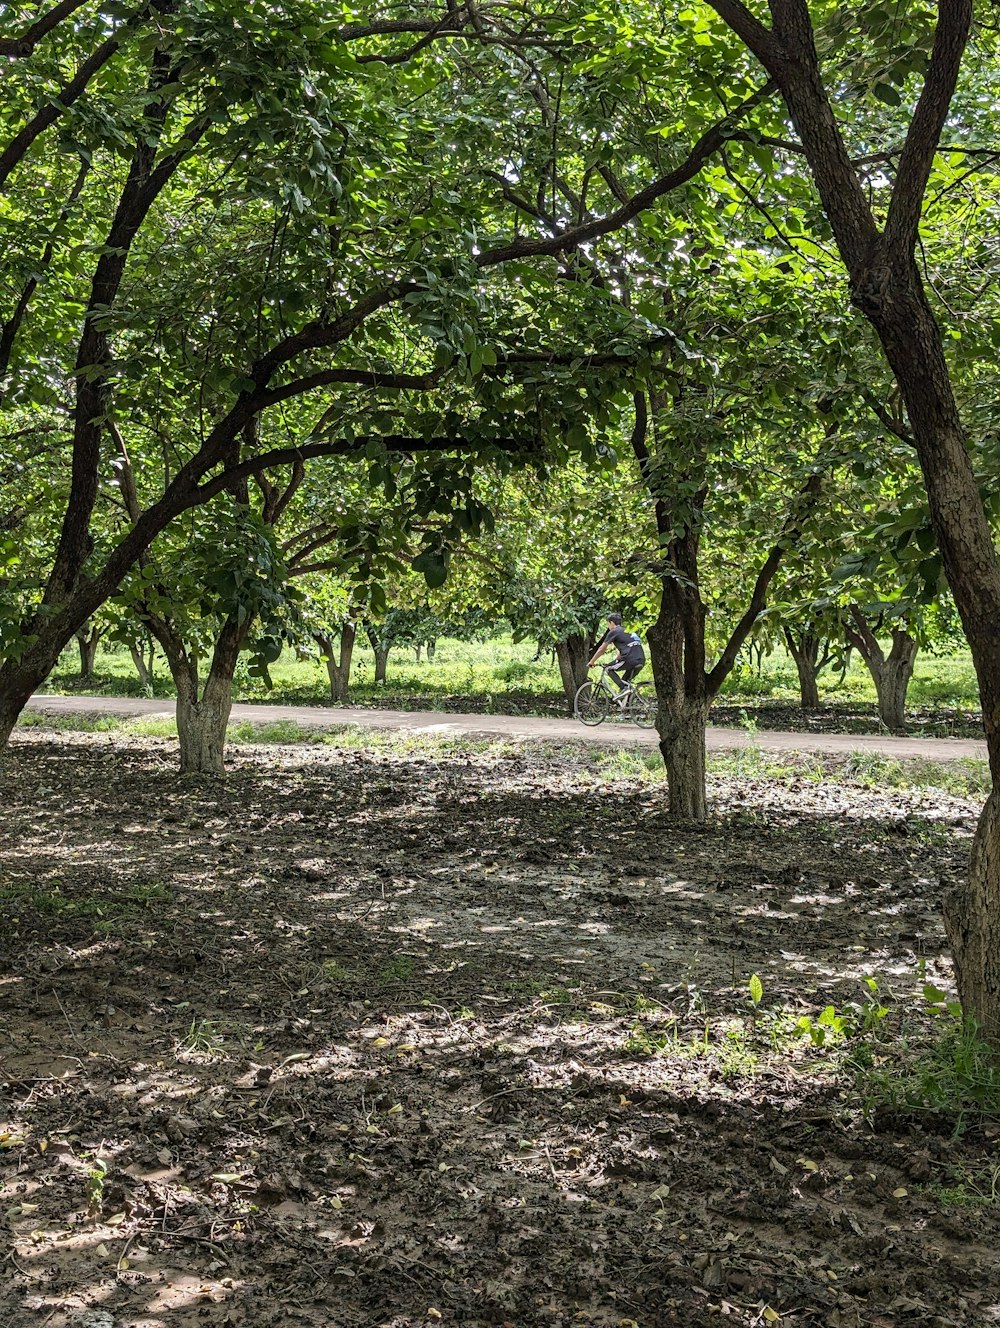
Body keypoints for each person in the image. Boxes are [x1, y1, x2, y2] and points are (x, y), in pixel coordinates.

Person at [588, 613, 646, 701]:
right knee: (625, 681)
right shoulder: (629, 630)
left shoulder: (614, 631)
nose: (608, 626)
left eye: (607, 623)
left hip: (629, 659)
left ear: (611, 622)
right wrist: (615, 661)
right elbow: (622, 652)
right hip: (641, 659)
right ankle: (627, 706)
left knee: (608, 668)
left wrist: (592, 661)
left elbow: (601, 649)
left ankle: (624, 689)